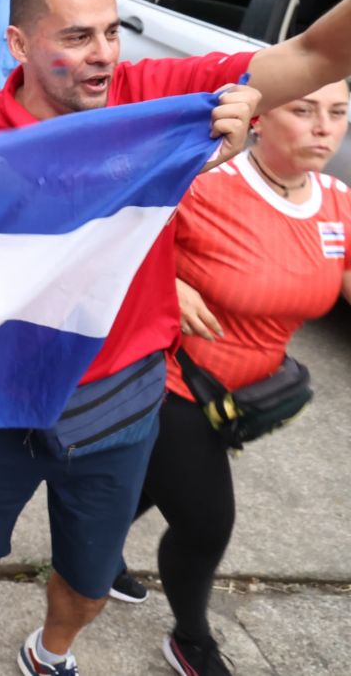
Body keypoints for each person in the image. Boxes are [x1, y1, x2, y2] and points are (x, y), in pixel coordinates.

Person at [0, 0, 351, 676]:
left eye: (111, 32)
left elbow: (314, 52)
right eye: (75, 38)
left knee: (92, 581)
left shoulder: (160, 97)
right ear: (20, 46)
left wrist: (238, 118)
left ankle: (49, 652)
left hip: (120, 395)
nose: (102, 55)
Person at [119, 79, 351, 676]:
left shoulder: (336, 200)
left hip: (244, 398)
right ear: (259, 119)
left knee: (151, 485)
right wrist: (163, 281)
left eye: (338, 113)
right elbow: (111, 237)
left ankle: (96, 552)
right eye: (303, 110)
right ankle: (190, 639)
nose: (324, 127)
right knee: (205, 522)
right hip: (172, 383)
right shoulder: (201, 184)